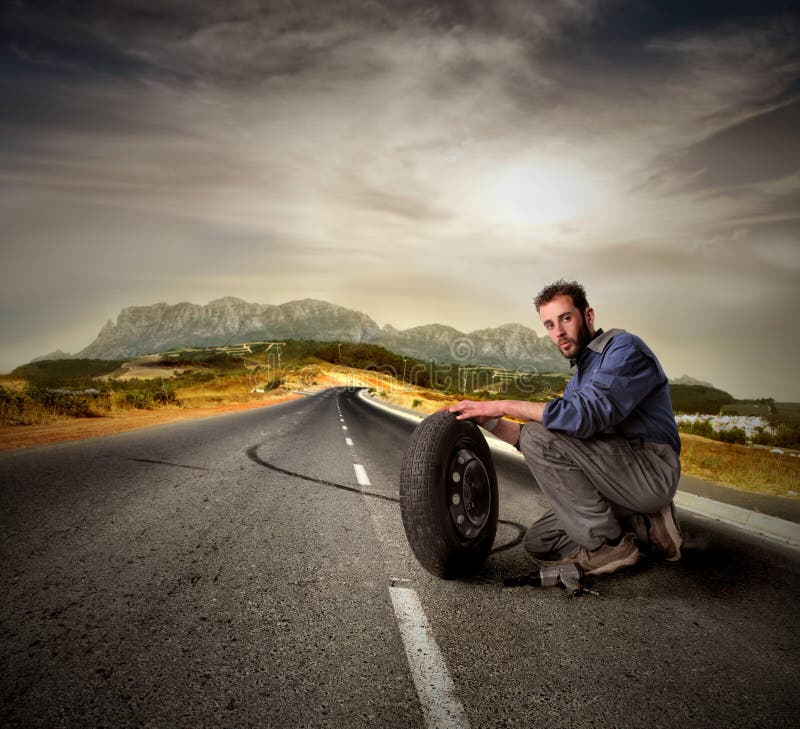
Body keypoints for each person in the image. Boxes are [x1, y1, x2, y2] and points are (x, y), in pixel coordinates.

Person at [448, 279, 682, 576]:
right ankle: (646, 526)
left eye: (565, 319)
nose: (558, 332)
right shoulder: (581, 377)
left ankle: (608, 547)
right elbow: (532, 439)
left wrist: (502, 404)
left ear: (588, 316)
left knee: (538, 434)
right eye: (548, 324)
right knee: (540, 541)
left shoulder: (623, 349)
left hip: (650, 470)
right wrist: (487, 420)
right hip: (615, 478)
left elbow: (583, 417)